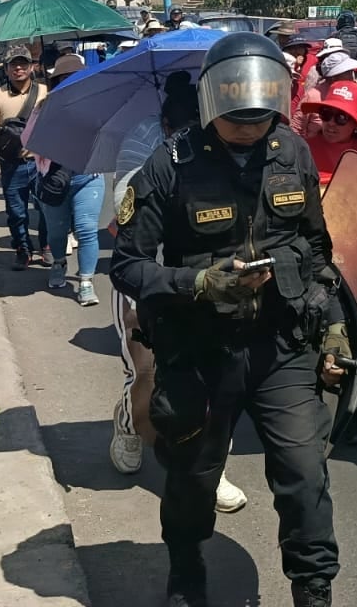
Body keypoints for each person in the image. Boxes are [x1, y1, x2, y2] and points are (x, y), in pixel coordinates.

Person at [111, 32, 347, 607]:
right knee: (194, 473)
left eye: (261, 114)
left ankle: (313, 587)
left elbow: (317, 249)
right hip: (200, 350)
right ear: (211, 100)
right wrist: (196, 281)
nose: (250, 126)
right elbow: (127, 265)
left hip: (281, 344)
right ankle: (186, 568)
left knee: (304, 470)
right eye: (238, 116)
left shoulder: (290, 151)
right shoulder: (168, 166)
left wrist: (335, 324)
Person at [107, 74, 250, 514]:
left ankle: (209, 467)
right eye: (182, 128)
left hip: (210, 292)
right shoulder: (144, 154)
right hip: (149, 289)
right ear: (168, 125)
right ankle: (129, 425)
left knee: (219, 384)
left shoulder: (230, 153)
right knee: (149, 377)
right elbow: (122, 220)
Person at [300, 79, 357, 447]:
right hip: (314, 255)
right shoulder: (304, 150)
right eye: (327, 114)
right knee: (310, 335)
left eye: (342, 117)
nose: (333, 123)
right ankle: (309, 413)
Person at [26, 55, 104, 306]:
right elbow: (27, 141)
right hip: (52, 179)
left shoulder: (96, 105)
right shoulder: (44, 107)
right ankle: (58, 263)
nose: (72, 82)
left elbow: (108, 136)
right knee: (57, 232)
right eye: (65, 79)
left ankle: (85, 282)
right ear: (57, 81)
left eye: (77, 78)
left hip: (87, 177)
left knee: (86, 229)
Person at [0, 45, 50, 270]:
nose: (19, 68)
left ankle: (47, 246)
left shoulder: (46, 92)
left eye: (23, 64)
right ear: (6, 69)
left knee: (47, 208)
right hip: (12, 165)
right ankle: (23, 248)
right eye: (14, 64)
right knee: (16, 212)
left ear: (32, 67)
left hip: (42, 163)